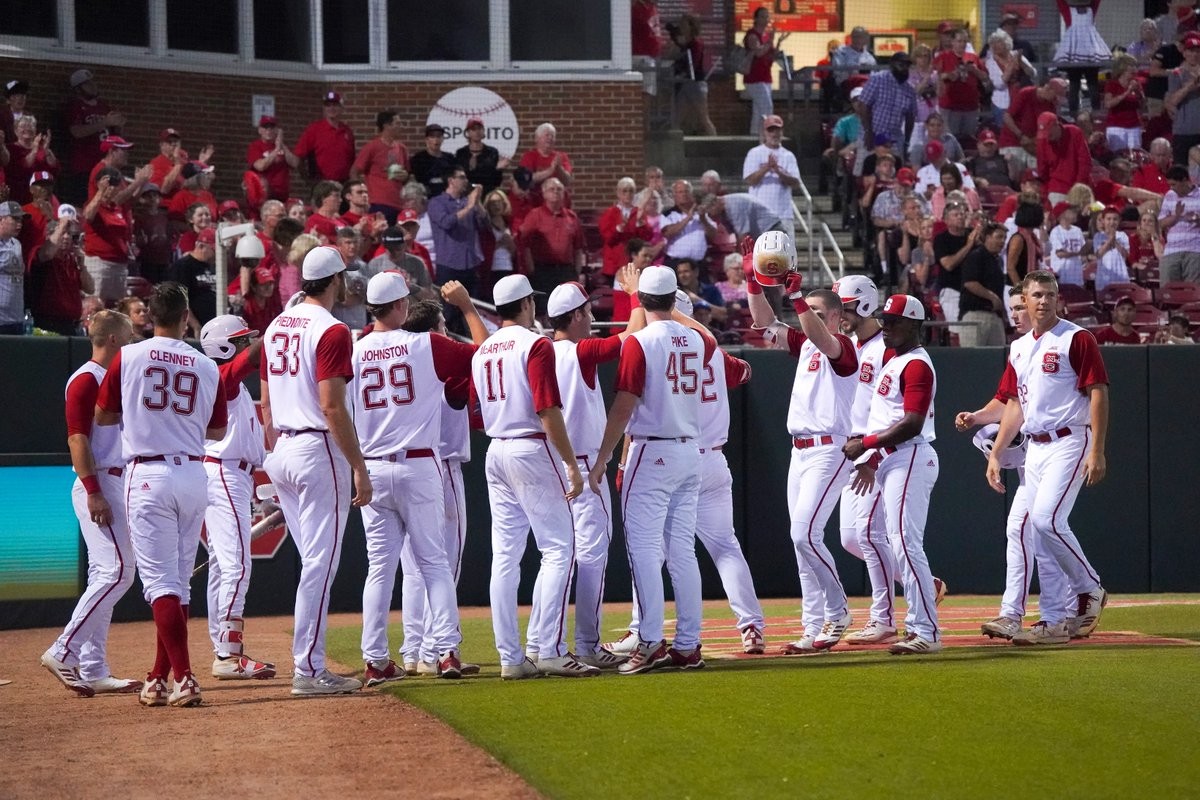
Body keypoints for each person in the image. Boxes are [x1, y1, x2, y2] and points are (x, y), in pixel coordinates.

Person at [95, 282, 228, 707]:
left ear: (150, 316)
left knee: (161, 584)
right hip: (193, 472)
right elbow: (218, 430)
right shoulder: (206, 365)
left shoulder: (129, 355)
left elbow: (102, 415)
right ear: (186, 316)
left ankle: (185, 677)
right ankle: (157, 677)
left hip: (148, 473)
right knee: (178, 585)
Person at [351, 274, 485, 684]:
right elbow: (483, 352)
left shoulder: (354, 351)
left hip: (371, 465)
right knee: (433, 562)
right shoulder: (425, 343)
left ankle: (376, 659)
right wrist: (466, 307)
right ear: (397, 306)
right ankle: (445, 651)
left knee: (380, 569)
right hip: (419, 463)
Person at [587, 265, 715, 674]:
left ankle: (650, 640)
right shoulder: (696, 339)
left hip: (652, 452)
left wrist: (604, 455)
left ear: (640, 300)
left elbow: (624, 404)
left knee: (643, 552)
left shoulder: (639, 343)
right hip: (688, 452)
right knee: (681, 553)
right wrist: (664, 304)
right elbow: (709, 337)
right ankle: (688, 643)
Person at [259, 246, 371, 696]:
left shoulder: (275, 325)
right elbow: (331, 405)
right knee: (321, 567)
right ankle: (308, 670)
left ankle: (310, 664)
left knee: (313, 565)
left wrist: (277, 452)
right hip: (316, 447)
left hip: (283, 446)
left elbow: (265, 401)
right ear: (335, 280)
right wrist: (358, 465)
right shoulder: (331, 328)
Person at [470, 274, 594, 679]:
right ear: (525, 304)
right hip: (530, 447)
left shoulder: (483, 349)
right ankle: (550, 649)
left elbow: (474, 411)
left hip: (496, 450)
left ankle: (511, 658)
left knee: (505, 556)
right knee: (559, 549)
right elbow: (547, 410)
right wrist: (571, 463)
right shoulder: (535, 343)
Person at [745, 233, 858, 653]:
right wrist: (754, 281)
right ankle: (813, 627)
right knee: (802, 543)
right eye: (805, 309)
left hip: (831, 449)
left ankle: (838, 610)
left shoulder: (841, 347)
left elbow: (821, 340)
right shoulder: (807, 345)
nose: (805, 316)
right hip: (801, 450)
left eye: (815, 311)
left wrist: (795, 299)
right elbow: (763, 325)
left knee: (804, 534)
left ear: (837, 318)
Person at [985, 270, 1110, 644]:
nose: (1043, 301)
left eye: (1050, 294)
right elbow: (1015, 406)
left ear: (1058, 298)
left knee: (1046, 520)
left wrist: (1098, 449)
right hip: (1034, 447)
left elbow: (1099, 392)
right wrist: (996, 452)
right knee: (1036, 532)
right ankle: (1053, 620)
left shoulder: (1076, 338)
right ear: (1024, 298)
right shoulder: (1020, 347)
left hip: (1070, 439)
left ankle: (1090, 588)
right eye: (1037, 294)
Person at [535, 275, 644, 668]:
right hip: (581, 466)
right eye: (587, 311)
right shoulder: (578, 352)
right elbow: (630, 337)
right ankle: (585, 644)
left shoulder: (542, 349)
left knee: (555, 556)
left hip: (549, 462)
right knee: (590, 555)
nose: (592, 317)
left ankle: (542, 643)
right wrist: (633, 296)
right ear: (575, 316)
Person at [955, 286, 1074, 641]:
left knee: (1042, 530)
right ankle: (1023, 613)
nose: (1019, 313)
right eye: (1014, 307)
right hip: (1034, 454)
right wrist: (977, 418)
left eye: (1023, 305)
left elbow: (1089, 393)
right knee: (1021, 531)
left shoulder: (1063, 340)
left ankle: (1062, 610)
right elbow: (1008, 404)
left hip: (1059, 445)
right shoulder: (1020, 350)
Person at [39, 310, 142, 697]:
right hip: (97, 482)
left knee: (107, 571)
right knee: (118, 571)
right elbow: (77, 439)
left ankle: (96, 667)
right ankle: (64, 649)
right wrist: (94, 489)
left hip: (115, 479)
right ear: (113, 339)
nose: (132, 342)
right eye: (129, 336)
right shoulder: (86, 378)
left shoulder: (114, 378)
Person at [841, 294, 942, 654]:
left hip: (910, 456)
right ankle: (902, 622)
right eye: (884, 320)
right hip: (893, 458)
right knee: (875, 536)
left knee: (905, 542)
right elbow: (889, 419)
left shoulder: (915, 364)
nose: (886, 327)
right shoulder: (894, 360)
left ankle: (925, 631)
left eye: (894, 321)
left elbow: (912, 424)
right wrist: (872, 456)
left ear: (914, 325)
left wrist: (866, 443)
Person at [196, 316, 275, 681]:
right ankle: (228, 654)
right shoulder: (217, 378)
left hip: (233, 474)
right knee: (237, 566)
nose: (248, 344)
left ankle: (222, 648)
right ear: (225, 347)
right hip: (223, 471)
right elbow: (254, 356)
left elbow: (257, 448)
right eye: (241, 340)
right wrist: (286, 323)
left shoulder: (236, 389)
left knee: (222, 567)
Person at [832, 277, 897, 643]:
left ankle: (884, 617)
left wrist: (874, 454)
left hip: (876, 451)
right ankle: (923, 581)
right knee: (850, 539)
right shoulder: (849, 346)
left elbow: (888, 410)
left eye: (845, 306)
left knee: (869, 534)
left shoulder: (885, 348)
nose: (841, 314)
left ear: (865, 305)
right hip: (852, 449)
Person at [27, 202, 93, 335]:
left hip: (70, 325)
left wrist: (82, 265)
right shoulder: (41, 253)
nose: (67, 237)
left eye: (70, 234)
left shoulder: (72, 259)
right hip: (48, 324)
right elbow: (47, 253)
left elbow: (90, 288)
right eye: (63, 233)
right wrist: (62, 224)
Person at [519, 177, 585, 306]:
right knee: (545, 308)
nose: (556, 192)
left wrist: (576, 271)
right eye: (552, 189)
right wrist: (532, 270)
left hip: (566, 271)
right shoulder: (535, 215)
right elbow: (524, 244)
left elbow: (578, 247)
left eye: (559, 189)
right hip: (543, 272)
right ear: (544, 193)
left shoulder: (571, 217)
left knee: (568, 307)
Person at [428, 166, 487, 306]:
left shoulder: (469, 203)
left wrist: (477, 203)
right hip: (449, 264)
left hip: (470, 263)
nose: (466, 181)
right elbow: (447, 222)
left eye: (466, 178)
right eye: (462, 177)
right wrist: (469, 206)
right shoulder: (437, 202)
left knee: (473, 308)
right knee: (449, 310)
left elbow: (484, 224)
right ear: (451, 180)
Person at [63, 69, 125, 202]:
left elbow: (115, 135)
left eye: (92, 82)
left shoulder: (103, 106)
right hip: (84, 166)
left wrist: (118, 125)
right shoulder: (75, 106)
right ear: (79, 89)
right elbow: (76, 132)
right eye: (87, 84)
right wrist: (104, 122)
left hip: (105, 164)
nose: (92, 86)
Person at [1000, 78, 1068, 184]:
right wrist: (1020, 135)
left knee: (1036, 176)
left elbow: (1050, 128)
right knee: (1015, 177)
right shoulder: (1026, 93)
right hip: (1013, 140)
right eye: (1055, 96)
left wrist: (1034, 142)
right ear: (1047, 89)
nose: (1056, 100)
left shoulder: (1051, 105)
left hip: (1032, 144)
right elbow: (1007, 116)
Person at [855, 51, 917, 160]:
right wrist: (868, 132)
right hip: (872, 133)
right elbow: (863, 105)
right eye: (901, 65)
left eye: (907, 66)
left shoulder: (909, 90)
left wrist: (906, 141)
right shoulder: (878, 79)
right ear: (892, 65)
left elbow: (910, 117)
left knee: (894, 172)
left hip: (894, 138)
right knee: (865, 171)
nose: (904, 69)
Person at [351, 110, 410, 224]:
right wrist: (359, 195)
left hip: (398, 203)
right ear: (386, 126)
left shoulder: (402, 148)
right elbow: (355, 171)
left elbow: (407, 173)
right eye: (397, 123)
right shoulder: (372, 147)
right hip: (378, 202)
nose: (401, 127)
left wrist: (405, 176)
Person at [744, 114, 800, 231]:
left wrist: (778, 171)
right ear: (764, 132)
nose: (774, 134)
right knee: (761, 249)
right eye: (771, 130)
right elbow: (750, 180)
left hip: (783, 215)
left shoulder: (788, 156)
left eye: (777, 130)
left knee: (784, 249)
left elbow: (795, 183)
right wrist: (766, 168)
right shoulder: (754, 153)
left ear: (782, 132)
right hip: (759, 215)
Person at [1054, 0, 1111, 114]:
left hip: (1078, 53)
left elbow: (1060, 2)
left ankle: (1084, 113)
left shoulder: (1070, 11)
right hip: (1088, 53)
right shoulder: (1089, 11)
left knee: (1082, 85)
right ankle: (1092, 113)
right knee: (1087, 85)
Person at [958, 222, 1009, 346]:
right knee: (973, 359)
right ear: (987, 237)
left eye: (1004, 238)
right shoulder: (976, 256)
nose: (1002, 241)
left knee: (997, 359)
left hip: (994, 316)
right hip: (975, 316)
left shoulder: (997, 261)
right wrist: (992, 297)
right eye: (999, 237)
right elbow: (970, 283)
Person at [933, 202, 981, 328]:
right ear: (947, 220)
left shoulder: (972, 235)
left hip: (973, 291)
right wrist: (969, 245)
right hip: (951, 290)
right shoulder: (941, 239)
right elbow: (948, 264)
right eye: (955, 215)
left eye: (962, 214)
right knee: (959, 328)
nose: (960, 217)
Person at [743, 7, 790, 134]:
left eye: (767, 16)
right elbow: (758, 53)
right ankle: (769, 135)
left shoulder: (766, 36)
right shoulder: (752, 35)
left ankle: (755, 136)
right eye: (763, 16)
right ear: (756, 19)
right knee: (767, 107)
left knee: (758, 111)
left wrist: (778, 43)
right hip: (754, 78)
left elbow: (770, 57)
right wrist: (770, 41)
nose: (766, 19)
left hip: (765, 77)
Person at [669, 14, 717, 136]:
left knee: (703, 118)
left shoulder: (696, 44)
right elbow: (671, 56)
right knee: (677, 119)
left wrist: (683, 73)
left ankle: (715, 142)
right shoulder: (684, 44)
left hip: (695, 84)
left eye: (684, 24)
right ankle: (673, 143)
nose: (681, 27)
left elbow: (693, 64)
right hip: (685, 84)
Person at [935, 28, 987, 140]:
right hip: (950, 107)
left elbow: (985, 77)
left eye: (964, 41)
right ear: (952, 42)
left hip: (971, 107)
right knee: (951, 139)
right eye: (959, 41)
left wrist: (974, 70)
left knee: (969, 139)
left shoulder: (973, 58)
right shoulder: (943, 57)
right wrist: (948, 75)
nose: (962, 44)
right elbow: (935, 76)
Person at [294, 91, 356, 183]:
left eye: (335, 105)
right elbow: (299, 156)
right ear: (324, 108)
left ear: (341, 107)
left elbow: (352, 160)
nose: (331, 108)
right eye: (328, 105)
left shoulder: (347, 131)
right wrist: (306, 178)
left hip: (343, 183)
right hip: (321, 183)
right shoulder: (314, 129)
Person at [598, 177, 653, 280]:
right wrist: (619, 228)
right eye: (624, 191)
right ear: (618, 193)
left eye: (631, 191)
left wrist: (641, 223)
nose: (628, 194)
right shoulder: (610, 213)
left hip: (634, 262)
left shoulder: (638, 212)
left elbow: (647, 238)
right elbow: (608, 239)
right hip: (614, 264)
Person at [984, 30, 1037, 128]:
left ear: (1006, 43)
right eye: (992, 43)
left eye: (998, 42)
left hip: (1022, 101)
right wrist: (1012, 64)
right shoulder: (990, 62)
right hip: (1002, 104)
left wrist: (1020, 62)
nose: (995, 46)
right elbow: (999, 84)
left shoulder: (1016, 55)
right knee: (1005, 132)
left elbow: (1033, 73)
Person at [1157, 166, 1200, 284]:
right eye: (1170, 185)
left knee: (1194, 291)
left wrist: (1197, 219)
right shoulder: (1169, 195)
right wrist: (1176, 216)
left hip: (1195, 250)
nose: (1172, 188)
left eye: (1174, 184)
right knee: (1167, 291)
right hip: (1172, 250)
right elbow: (1160, 223)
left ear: (1185, 180)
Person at [1036, 113, 1091, 205]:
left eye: (1049, 132)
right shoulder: (1042, 141)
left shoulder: (1074, 132)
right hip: (1057, 187)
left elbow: (1085, 161)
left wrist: (1079, 185)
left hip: (1080, 185)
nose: (1047, 136)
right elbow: (1042, 170)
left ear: (1056, 125)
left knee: (1091, 211)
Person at [167, 227, 217, 327]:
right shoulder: (183, 266)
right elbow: (179, 300)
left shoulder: (214, 265)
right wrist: (194, 325)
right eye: (214, 250)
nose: (217, 254)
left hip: (214, 324)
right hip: (195, 326)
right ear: (201, 246)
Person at [661, 180, 716, 268]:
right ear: (674, 195)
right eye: (680, 192)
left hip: (698, 264)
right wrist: (688, 217)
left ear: (691, 194)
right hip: (676, 263)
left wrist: (703, 219)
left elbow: (713, 235)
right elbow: (667, 233)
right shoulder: (668, 214)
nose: (684, 194)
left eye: (686, 191)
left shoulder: (701, 213)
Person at [518, 123, 573, 208]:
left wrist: (559, 168)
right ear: (537, 139)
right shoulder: (529, 156)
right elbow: (527, 179)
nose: (550, 138)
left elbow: (567, 181)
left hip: (559, 204)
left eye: (552, 136)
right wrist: (550, 171)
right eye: (547, 135)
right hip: (535, 204)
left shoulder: (562, 156)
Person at [246, 116, 299, 203]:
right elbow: (260, 166)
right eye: (265, 127)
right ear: (259, 130)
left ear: (277, 130)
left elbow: (295, 163)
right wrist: (276, 150)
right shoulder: (255, 146)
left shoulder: (283, 147)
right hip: (263, 195)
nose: (269, 130)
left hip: (282, 196)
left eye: (272, 127)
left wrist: (281, 144)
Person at [1167, 33, 1200, 166]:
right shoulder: (1177, 74)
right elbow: (1172, 101)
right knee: (1181, 171)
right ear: (1184, 53)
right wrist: (1190, 86)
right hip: (1183, 131)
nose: (1195, 55)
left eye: (1198, 51)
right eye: (1191, 51)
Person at [1104, 55, 1146, 152]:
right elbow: (1108, 104)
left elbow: (1143, 105)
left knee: (1135, 155)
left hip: (1134, 126)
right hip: (1116, 126)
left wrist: (1139, 93)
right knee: (1118, 155)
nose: (1134, 70)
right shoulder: (1112, 84)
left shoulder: (1136, 84)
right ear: (1123, 69)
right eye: (1131, 66)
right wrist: (1127, 92)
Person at [455, 117, 505, 195]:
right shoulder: (461, 153)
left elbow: (496, 182)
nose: (477, 132)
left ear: (483, 131)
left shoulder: (492, 152)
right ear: (468, 132)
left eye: (479, 129)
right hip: (465, 195)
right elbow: (461, 178)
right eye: (473, 129)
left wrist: (498, 169)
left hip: (486, 194)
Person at [410, 123, 458, 198]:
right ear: (426, 139)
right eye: (432, 136)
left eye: (438, 136)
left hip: (447, 198)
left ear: (442, 139)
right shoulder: (418, 159)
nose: (436, 140)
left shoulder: (450, 158)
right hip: (425, 199)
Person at [1005, 200, 1045, 286]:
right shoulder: (1018, 239)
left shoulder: (1033, 237)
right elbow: (1010, 267)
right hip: (1014, 288)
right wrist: (1020, 288)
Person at [1092, 207, 1132, 292]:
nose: (1112, 222)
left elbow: (1126, 255)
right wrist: (1110, 240)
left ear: (1119, 221)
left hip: (1121, 276)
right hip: (1103, 278)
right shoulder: (1098, 236)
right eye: (1108, 219)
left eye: (1115, 219)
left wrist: (1115, 241)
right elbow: (1099, 254)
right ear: (1103, 220)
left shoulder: (1123, 235)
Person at [1048, 202, 1087, 287]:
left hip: (1077, 275)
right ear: (1062, 214)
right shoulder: (1056, 231)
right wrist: (1077, 253)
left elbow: (1083, 251)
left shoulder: (1077, 230)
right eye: (1071, 211)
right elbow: (1060, 254)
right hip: (1062, 275)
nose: (1075, 213)